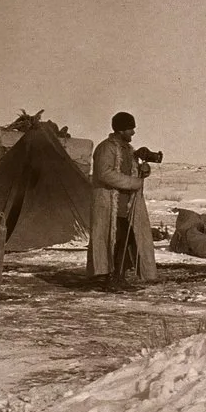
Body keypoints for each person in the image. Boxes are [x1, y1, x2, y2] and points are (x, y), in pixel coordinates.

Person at [89, 111, 157, 285]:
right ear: (120, 130)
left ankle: (120, 275)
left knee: (126, 241)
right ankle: (107, 276)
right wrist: (133, 183)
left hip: (126, 206)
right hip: (109, 204)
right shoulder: (106, 148)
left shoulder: (128, 150)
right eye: (130, 128)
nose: (133, 132)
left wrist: (143, 170)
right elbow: (104, 173)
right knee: (111, 240)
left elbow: (132, 171)